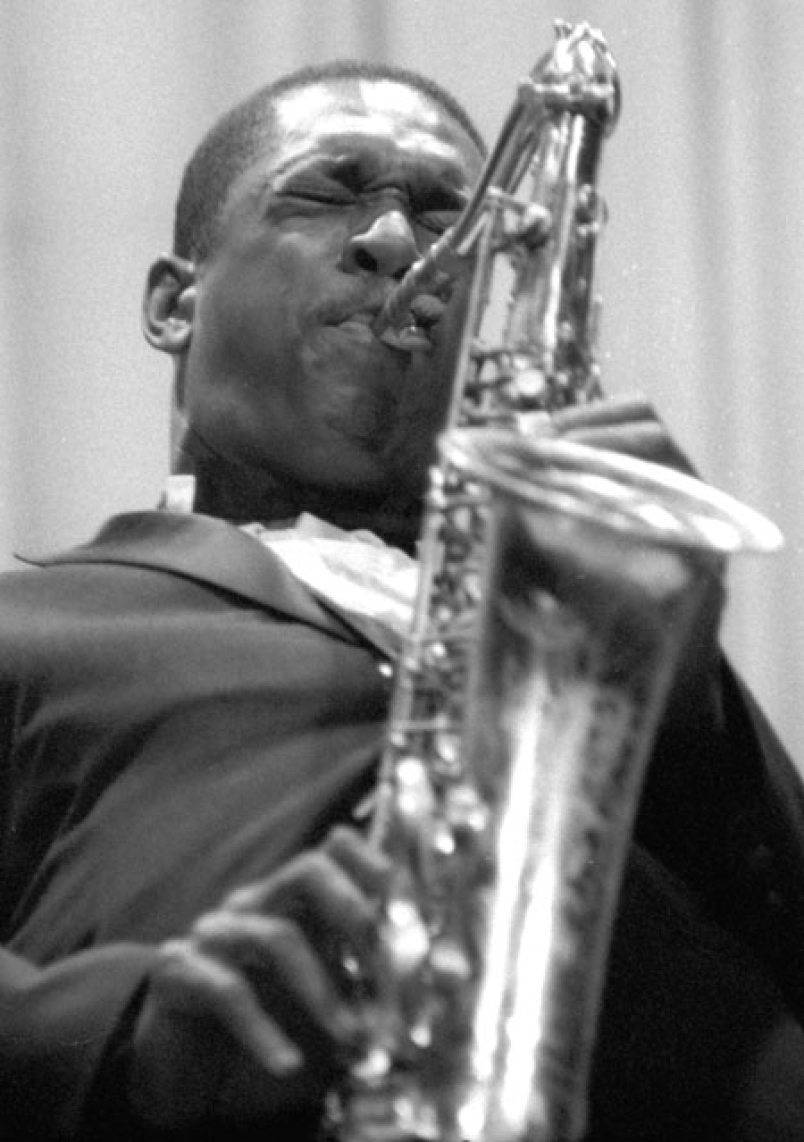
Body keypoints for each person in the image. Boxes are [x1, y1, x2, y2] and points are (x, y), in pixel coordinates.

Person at [1, 59, 803, 1142]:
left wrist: (686, 697)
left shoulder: (616, 638)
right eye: (326, 193)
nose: (395, 242)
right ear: (174, 303)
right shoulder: (31, 627)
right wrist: (124, 1034)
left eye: (447, 220)